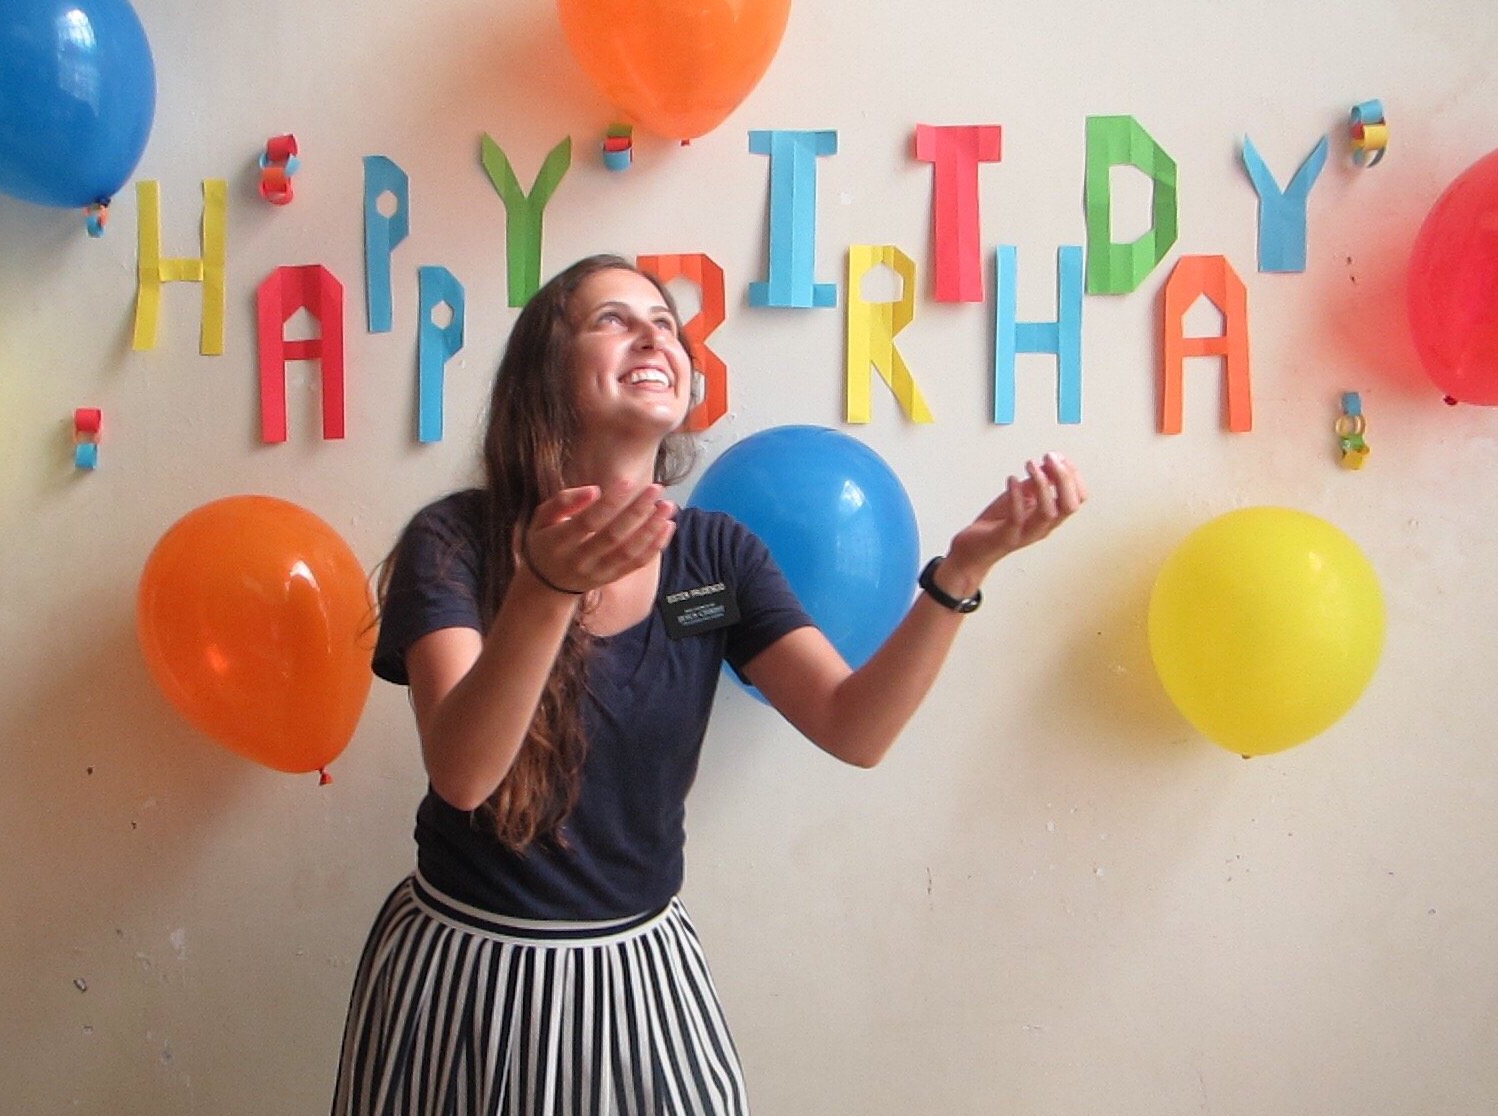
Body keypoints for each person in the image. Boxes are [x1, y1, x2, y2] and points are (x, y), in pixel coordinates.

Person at [332, 254, 1085, 1115]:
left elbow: (855, 729)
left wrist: (961, 570)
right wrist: (546, 586)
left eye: (666, 322)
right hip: (464, 977)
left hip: (635, 971)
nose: (654, 332)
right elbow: (464, 774)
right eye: (612, 318)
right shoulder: (455, 539)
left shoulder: (714, 555)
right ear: (544, 371)